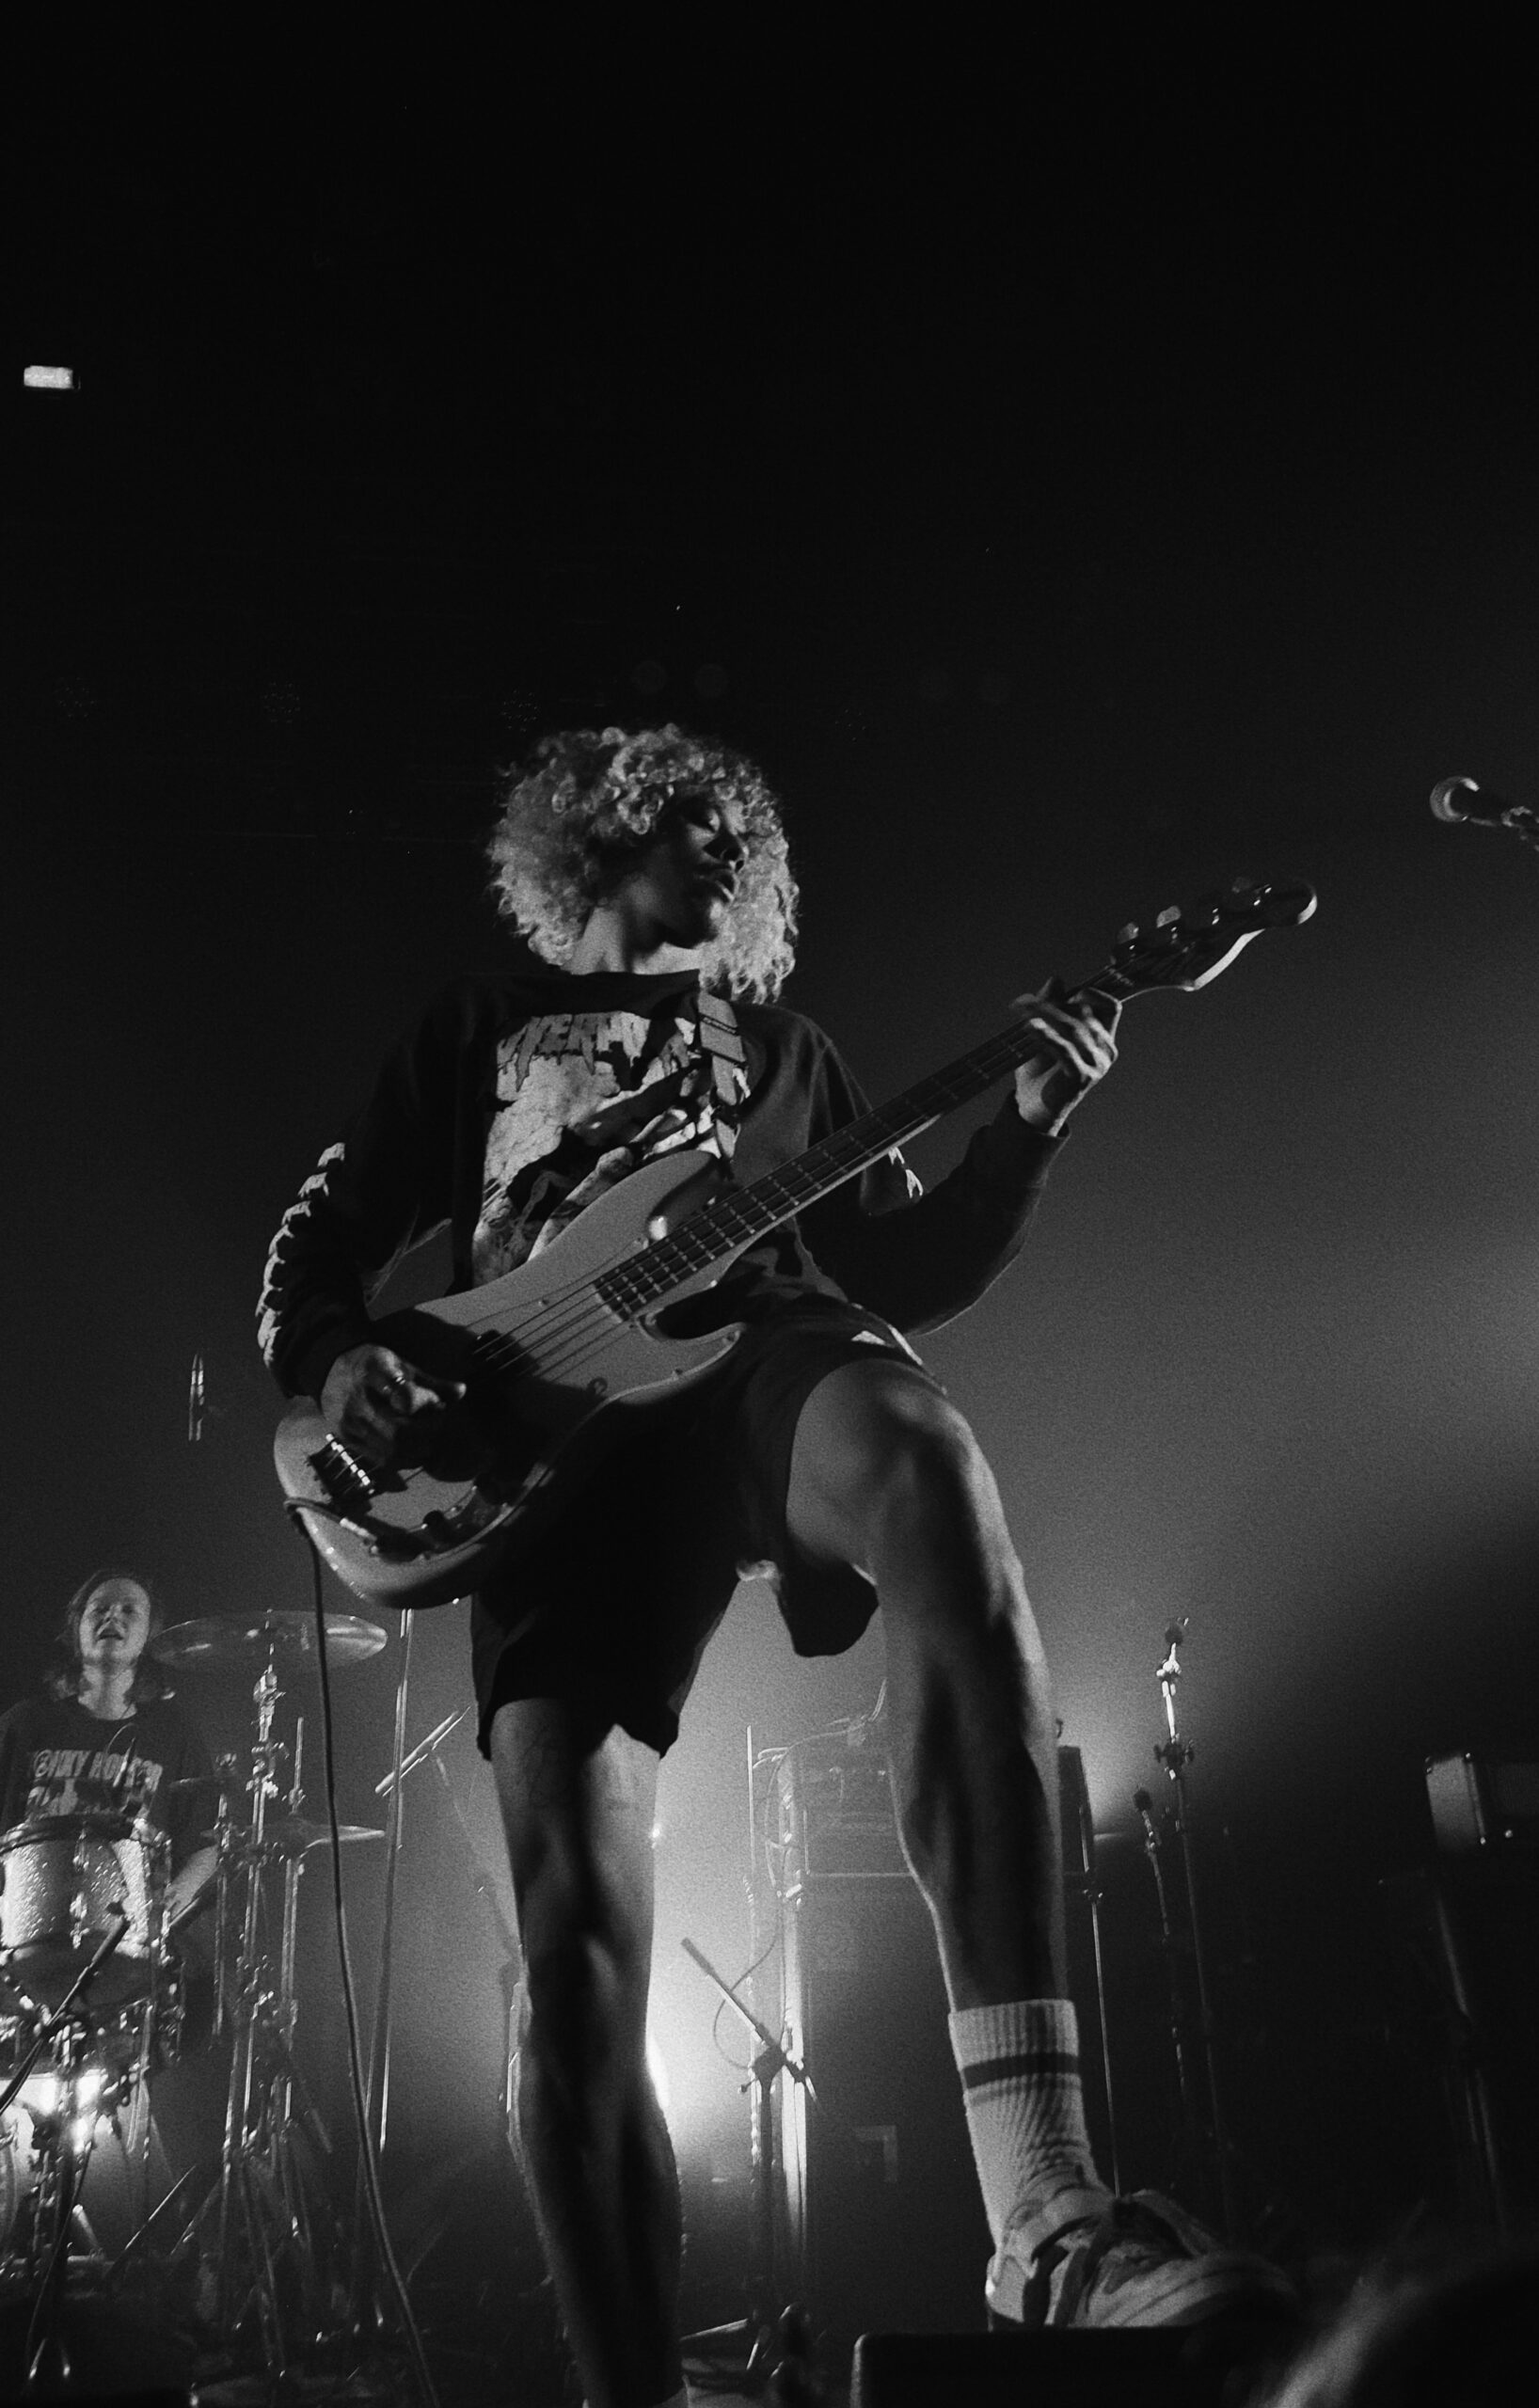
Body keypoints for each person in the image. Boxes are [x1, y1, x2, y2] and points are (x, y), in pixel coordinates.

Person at [257, 724, 1292, 2408]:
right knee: (576, 1966)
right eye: (693, 815)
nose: (731, 844)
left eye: (747, 830)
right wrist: (339, 1356)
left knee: (929, 1472)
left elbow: (904, 1260)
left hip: (757, 1360)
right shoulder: (474, 1029)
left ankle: (1047, 2213)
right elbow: (311, 1245)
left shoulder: (787, 1053)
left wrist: (1022, 1135)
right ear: (597, 833)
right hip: (530, 1448)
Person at [0, 1569, 220, 1937]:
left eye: (129, 1610)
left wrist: (175, 1901)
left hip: (131, 1941)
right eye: (99, 1608)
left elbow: (205, 1843)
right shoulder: (23, 1724)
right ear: (76, 1628)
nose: (112, 1617)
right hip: (22, 1938)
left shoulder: (175, 1734)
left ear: (149, 1635)